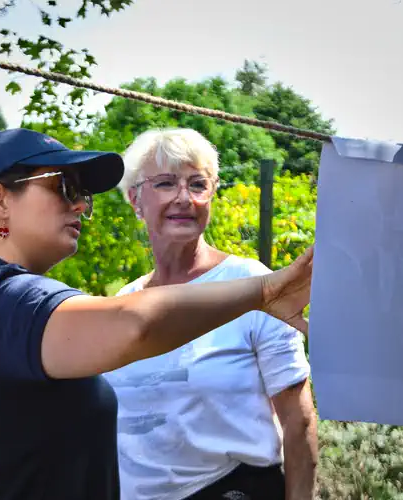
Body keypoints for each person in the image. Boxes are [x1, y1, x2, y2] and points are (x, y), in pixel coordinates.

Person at [0, 128, 313, 500]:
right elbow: (137, 324)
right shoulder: (2, 299)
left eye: (85, 194)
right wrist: (265, 291)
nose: (81, 205)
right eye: (65, 188)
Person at [103, 128, 317, 500]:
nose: (184, 198)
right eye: (167, 183)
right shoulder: (127, 299)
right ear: (135, 200)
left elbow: (299, 423)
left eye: (198, 184)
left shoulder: (253, 286)